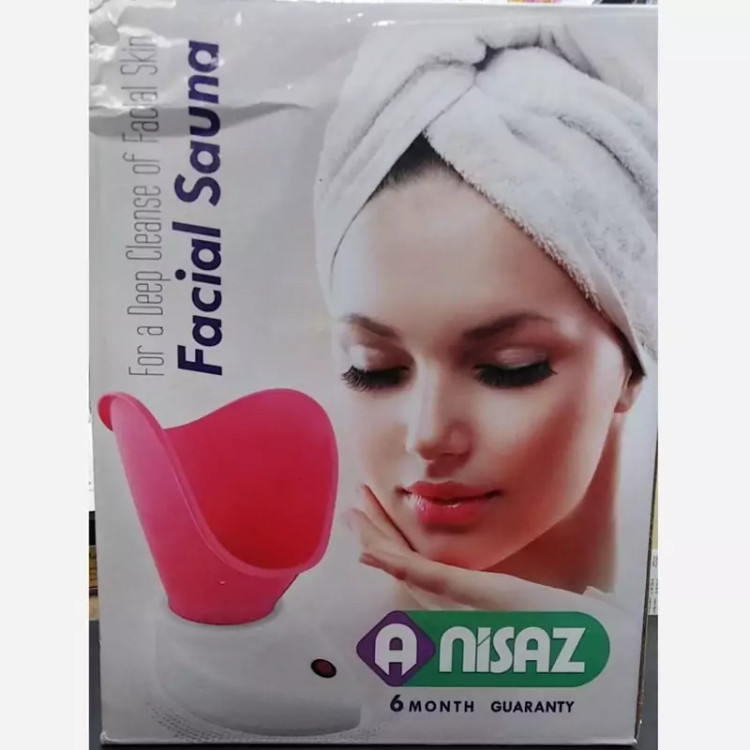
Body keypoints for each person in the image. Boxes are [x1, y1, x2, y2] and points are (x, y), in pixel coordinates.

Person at [314, 19, 657, 616]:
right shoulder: (290, 652)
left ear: (630, 366)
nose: (428, 435)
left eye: (509, 368)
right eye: (374, 368)